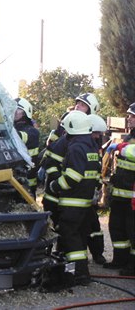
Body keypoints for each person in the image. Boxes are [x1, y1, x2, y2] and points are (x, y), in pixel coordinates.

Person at [47, 111, 100, 285]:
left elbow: (73, 177)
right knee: (79, 238)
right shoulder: (91, 146)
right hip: (84, 203)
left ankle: (78, 275)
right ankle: (77, 272)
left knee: (70, 238)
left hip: (72, 202)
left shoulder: (76, 147)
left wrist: (55, 185)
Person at [103, 102, 135, 274]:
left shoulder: (128, 143)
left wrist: (121, 147)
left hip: (133, 197)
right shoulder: (129, 137)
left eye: (132, 116)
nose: (128, 118)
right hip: (121, 194)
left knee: (133, 231)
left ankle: (132, 265)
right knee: (116, 226)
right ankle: (119, 259)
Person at [86, 114, 108, 264]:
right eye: (96, 133)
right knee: (80, 228)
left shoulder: (94, 146)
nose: (98, 136)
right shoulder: (82, 145)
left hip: (91, 193)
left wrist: (98, 187)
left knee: (95, 227)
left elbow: (97, 170)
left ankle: (98, 254)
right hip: (80, 194)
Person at [13, 98, 40, 196]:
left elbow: (18, 137)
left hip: (28, 180)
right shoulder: (13, 127)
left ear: (25, 113)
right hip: (15, 177)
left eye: (18, 109)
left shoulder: (32, 131)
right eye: (13, 108)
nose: (15, 111)